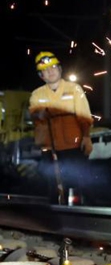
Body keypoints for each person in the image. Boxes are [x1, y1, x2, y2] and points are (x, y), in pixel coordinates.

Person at [29, 52, 93, 204]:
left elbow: (84, 115)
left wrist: (86, 137)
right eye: (46, 69)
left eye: (53, 67)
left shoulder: (74, 89)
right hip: (49, 147)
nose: (50, 71)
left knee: (81, 181)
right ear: (41, 75)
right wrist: (42, 113)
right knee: (52, 185)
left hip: (74, 145)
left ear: (60, 69)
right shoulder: (37, 94)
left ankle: (87, 216)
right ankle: (55, 220)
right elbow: (34, 114)